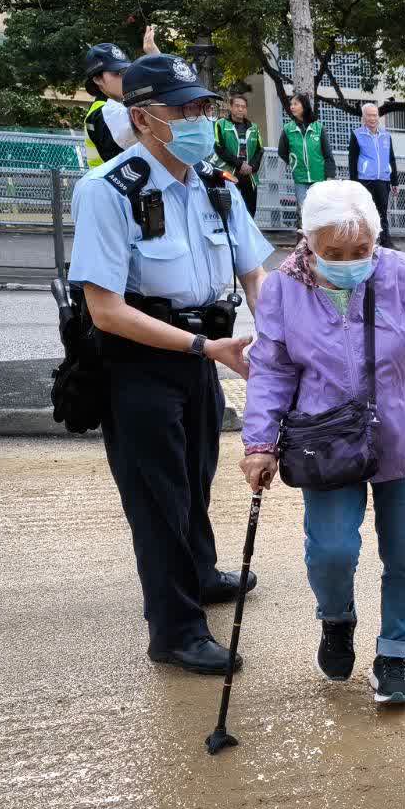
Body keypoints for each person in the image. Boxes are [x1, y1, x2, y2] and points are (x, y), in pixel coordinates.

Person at [239, 181, 405, 706]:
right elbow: (271, 369)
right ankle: (337, 619)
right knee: (331, 551)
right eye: (333, 253)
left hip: (401, 437)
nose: (349, 262)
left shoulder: (398, 271)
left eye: (361, 250)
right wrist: (260, 442)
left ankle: (394, 655)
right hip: (325, 440)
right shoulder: (283, 289)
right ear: (308, 242)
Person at [68, 54, 274, 675]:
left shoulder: (214, 184)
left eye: (203, 107)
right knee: (158, 500)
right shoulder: (108, 190)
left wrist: (278, 340)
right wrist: (203, 349)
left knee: (196, 477)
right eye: (183, 109)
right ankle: (176, 631)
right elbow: (105, 310)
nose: (200, 119)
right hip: (138, 364)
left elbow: (254, 273)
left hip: (204, 356)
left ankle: (200, 574)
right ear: (142, 118)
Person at [80, 26, 159, 169]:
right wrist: (157, 61)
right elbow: (160, 121)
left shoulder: (121, 105)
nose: (124, 77)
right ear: (97, 79)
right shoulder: (101, 114)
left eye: (126, 71)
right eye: (117, 73)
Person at [347, 102, 399, 248]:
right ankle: (364, 244)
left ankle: (386, 242)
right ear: (363, 117)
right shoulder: (357, 134)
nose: (372, 118)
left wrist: (394, 181)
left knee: (382, 213)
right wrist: (354, 183)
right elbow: (352, 160)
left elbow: (391, 159)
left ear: (378, 116)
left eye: (375, 115)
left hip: (383, 180)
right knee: (364, 213)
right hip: (364, 181)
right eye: (369, 115)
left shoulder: (386, 136)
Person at [276, 94, 335, 219]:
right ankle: (303, 232)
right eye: (291, 104)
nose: (292, 107)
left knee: (320, 212)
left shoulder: (318, 127)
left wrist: (330, 176)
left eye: (295, 104)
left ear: (304, 105)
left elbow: (328, 154)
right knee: (304, 212)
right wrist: (294, 163)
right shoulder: (288, 129)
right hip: (300, 178)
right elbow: (282, 151)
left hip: (319, 178)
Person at [214, 93, 264, 217]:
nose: (240, 109)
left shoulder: (254, 128)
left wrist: (252, 167)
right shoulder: (220, 124)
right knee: (228, 212)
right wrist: (240, 164)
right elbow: (219, 148)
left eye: (243, 107)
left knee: (250, 213)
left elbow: (259, 150)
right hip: (228, 175)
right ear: (230, 107)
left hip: (249, 176)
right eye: (237, 106)